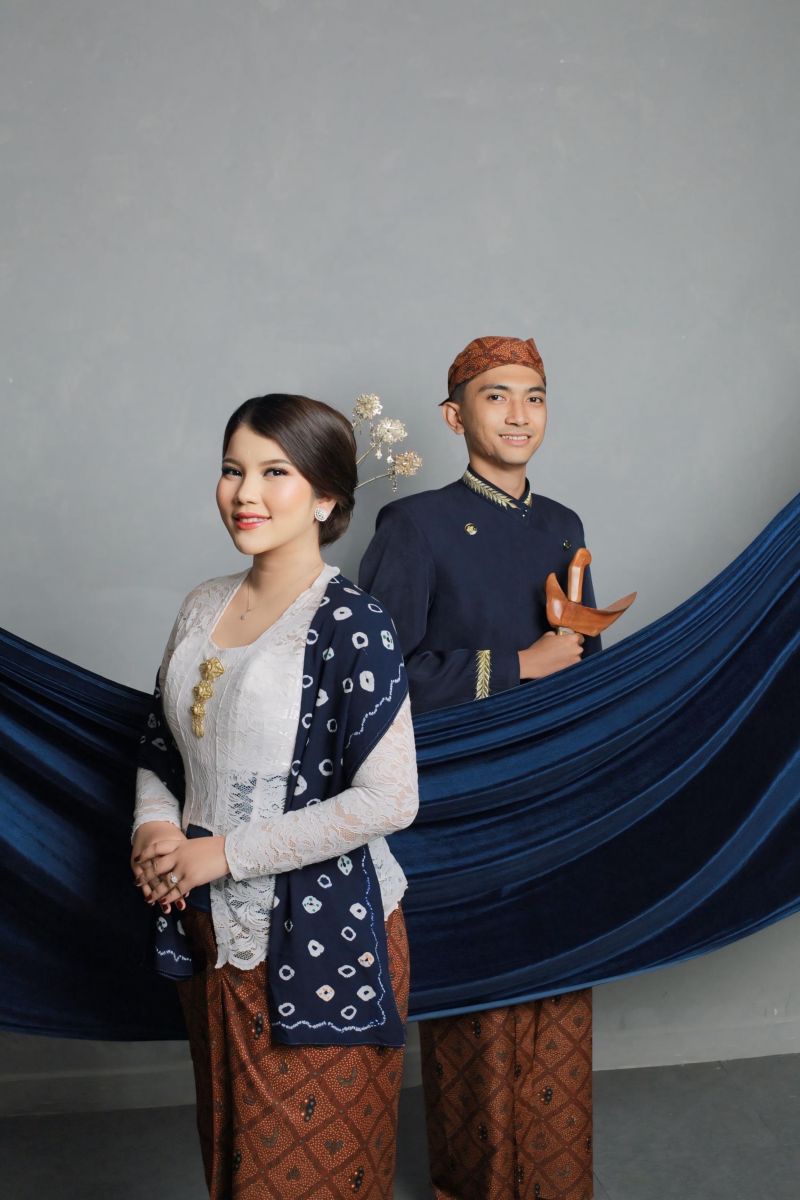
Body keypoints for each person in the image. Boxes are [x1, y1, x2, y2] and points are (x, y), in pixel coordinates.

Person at [131, 393, 419, 1200]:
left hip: (321, 934)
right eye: (232, 470)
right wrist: (154, 833)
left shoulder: (352, 623)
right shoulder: (202, 604)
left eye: (274, 472)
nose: (245, 493)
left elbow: (390, 800)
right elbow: (160, 743)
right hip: (210, 930)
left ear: (326, 498)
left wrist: (217, 854)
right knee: (233, 1157)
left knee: (307, 1173)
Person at [359, 335, 598, 1200]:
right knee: (482, 995)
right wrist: (517, 664)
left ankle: (557, 1180)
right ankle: (480, 1183)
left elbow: (584, 660)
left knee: (562, 983)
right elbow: (374, 678)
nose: (519, 414)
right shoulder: (414, 525)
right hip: (461, 798)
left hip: (551, 789)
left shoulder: (564, 525)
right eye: (496, 396)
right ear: (455, 417)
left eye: (534, 395)